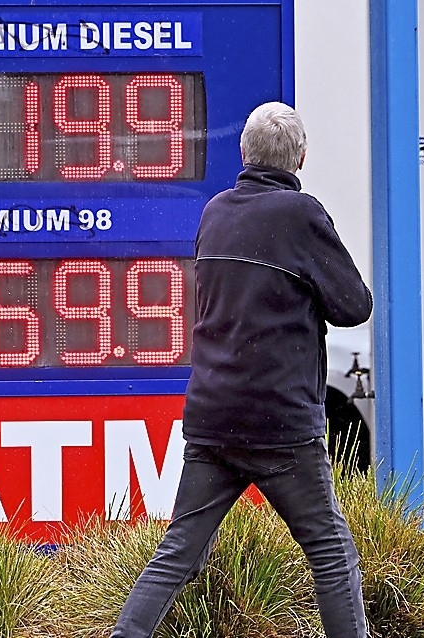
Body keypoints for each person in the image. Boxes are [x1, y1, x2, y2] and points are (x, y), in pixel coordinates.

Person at [110, 102, 373, 638]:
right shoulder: (302, 216)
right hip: (280, 426)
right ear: (301, 157)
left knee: (179, 552)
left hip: (212, 418)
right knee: (329, 549)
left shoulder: (215, 212)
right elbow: (354, 306)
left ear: (243, 153)